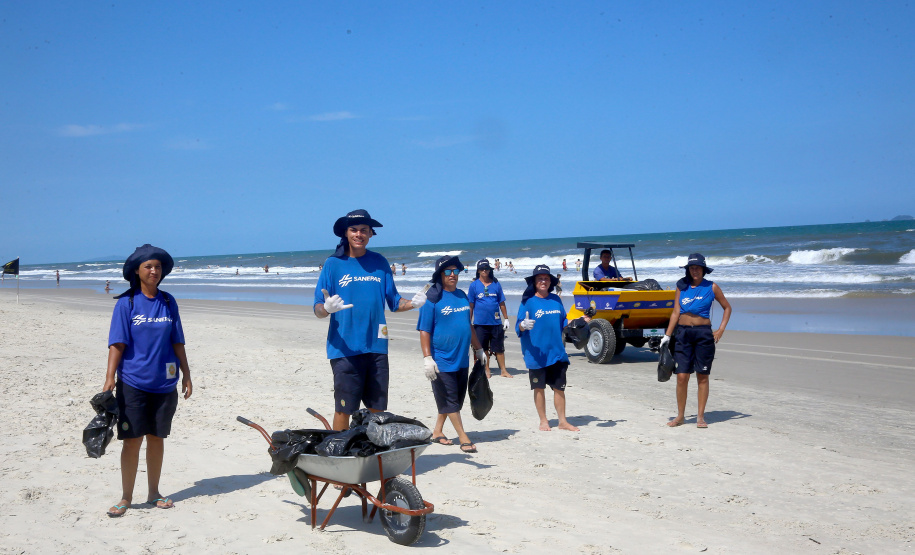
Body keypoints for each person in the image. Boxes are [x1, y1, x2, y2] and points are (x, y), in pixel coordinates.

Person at [314, 209, 428, 431]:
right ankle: (339, 453)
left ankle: (375, 454)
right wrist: (327, 309)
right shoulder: (333, 264)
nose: (359, 234)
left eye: (364, 230)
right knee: (344, 408)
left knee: (378, 410)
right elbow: (318, 307)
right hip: (345, 348)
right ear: (346, 234)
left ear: (370, 234)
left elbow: (394, 302)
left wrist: (413, 303)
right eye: (354, 229)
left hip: (377, 347)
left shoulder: (379, 262)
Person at [103, 244, 192, 518]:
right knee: (132, 440)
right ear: (137, 272)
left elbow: (177, 340)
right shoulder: (126, 303)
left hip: (165, 384)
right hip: (132, 383)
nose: (154, 271)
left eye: (158, 266)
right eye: (148, 267)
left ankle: (154, 492)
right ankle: (126, 497)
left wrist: (187, 373)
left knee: (157, 438)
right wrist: (109, 379)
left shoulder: (168, 301)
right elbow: (117, 344)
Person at [417, 256, 487, 453]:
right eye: (448, 272)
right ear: (440, 274)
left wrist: (479, 348)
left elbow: (469, 326)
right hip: (441, 359)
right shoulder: (432, 299)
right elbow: (424, 330)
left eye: (456, 271)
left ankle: (437, 431)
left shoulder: (462, 296)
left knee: (455, 398)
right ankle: (463, 437)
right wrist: (427, 358)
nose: (453, 275)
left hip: (461, 359)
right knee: (450, 399)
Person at [661, 253, 732, 429]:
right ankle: (680, 416)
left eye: (698, 268)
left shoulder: (712, 287)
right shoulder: (682, 286)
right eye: (692, 268)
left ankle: (700, 417)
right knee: (682, 377)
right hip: (683, 334)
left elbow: (727, 307)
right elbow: (676, 312)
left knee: (702, 376)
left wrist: (721, 329)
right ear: (688, 269)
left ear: (703, 270)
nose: (695, 271)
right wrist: (667, 336)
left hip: (703, 335)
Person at [516, 265, 582, 432]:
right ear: (534, 282)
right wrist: (523, 325)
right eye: (540, 278)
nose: (543, 281)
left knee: (559, 388)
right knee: (539, 388)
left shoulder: (556, 300)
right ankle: (543, 420)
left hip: (557, 352)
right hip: (536, 354)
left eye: (546, 278)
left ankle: (562, 421)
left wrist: (579, 322)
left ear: (550, 281)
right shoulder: (527, 302)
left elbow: (564, 322)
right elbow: (518, 328)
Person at [468, 259, 512, 379]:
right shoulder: (474, 285)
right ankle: (486, 370)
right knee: (483, 348)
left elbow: (501, 302)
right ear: (478, 271)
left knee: (499, 348)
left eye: (486, 268)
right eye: (482, 269)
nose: (484, 270)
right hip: (480, 323)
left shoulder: (496, 284)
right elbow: (471, 305)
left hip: (496, 322)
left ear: (490, 270)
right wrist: (469, 321)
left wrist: (506, 319)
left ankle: (503, 370)